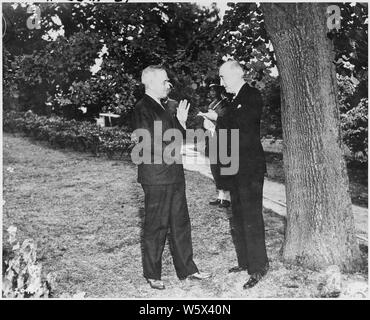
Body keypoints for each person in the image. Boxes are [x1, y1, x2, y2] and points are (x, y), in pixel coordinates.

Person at [132, 65, 211, 290]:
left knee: (180, 224)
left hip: (174, 174)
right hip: (156, 176)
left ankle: (187, 269)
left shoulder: (165, 107)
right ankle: (152, 273)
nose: (169, 85)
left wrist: (182, 123)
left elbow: (177, 137)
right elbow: (148, 142)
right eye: (166, 81)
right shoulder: (142, 108)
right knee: (156, 226)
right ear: (152, 82)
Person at [201, 60, 269, 289]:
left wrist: (217, 119)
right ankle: (245, 262)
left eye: (222, 77)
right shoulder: (231, 100)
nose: (221, 82)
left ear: (236, 75)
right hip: (234, 167)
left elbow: (242, 125)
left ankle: (259, 267)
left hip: (250, 168)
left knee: (251, 216)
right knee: (238, 215)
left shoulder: (252, 96)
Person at [199, 83, 232, 208]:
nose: (212, 93)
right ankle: (220, 197)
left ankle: (227, 198)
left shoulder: (225, 104)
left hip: (222, 138)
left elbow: (222, 120)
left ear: (220, 91)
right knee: (215, 169)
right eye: (210, 90)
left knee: (223, 167)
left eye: (214, 90)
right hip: (212, 137)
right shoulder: (211, 104)